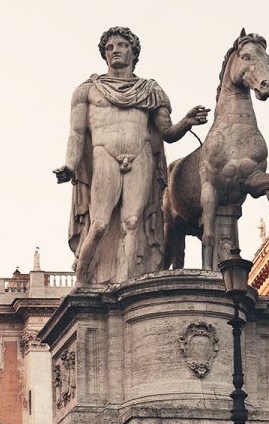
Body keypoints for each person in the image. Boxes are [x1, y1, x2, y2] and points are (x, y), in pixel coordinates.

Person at [54, 27, 209, 284]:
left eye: (121, 45)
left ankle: (125, 286)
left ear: (133, 51)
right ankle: (82, 278)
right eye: (109, 47)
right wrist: (70, 165)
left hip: (141, 155)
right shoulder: (87, 90)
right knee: (100, 223)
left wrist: (187, 121)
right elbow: (77, 133)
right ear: (104, 55)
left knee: (133, 221)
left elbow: (167, 133)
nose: (115, 50)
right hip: (104, 154)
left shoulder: (150, 90)